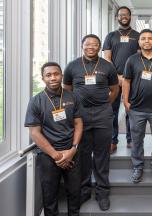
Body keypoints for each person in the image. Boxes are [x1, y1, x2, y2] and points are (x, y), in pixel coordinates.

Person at [63, 34, 119, 211]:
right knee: (84, 155)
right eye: (88, 44)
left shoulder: (107, 66)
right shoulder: (72, 66)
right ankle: (85, 190)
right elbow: (67, 90)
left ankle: (102, 192)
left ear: (99, 47)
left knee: (102, 155)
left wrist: (105, 104)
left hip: (103, 115)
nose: (91, 47)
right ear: (82, 46)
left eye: (95, 45)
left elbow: (114, 89)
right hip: (81, 117)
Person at [24, 62, 83, 216]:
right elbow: (35, 133)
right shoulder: (36, 101)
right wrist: (56, 155)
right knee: (49, 199)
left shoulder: (73, 96)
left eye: (56, 74)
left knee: (75, 194)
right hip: (48, 157)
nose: (53, 78)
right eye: (48, 75)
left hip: (72, 153)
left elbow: (78, 123)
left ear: (61, 75)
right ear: (43, 78)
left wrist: (73, 149)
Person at [122, 29, 152, 184]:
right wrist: (125, 101)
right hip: (136, 108)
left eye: (150, 38)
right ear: (139, 42)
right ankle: (138, 167)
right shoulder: (132, 60)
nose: (147, 41)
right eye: (143, 38)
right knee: (137, 139)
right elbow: (126, 81)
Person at [103, 6, 139, 154]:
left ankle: (131, 139)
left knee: (132, 109)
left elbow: (139, 59)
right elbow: (107, 58)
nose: (123, 16)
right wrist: (117, 77)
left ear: (130, 16)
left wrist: (127, 78)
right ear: (117, 17)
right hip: (114, 80)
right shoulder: (110, 36)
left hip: (133, 79)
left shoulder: (137, 35)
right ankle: (113, 140)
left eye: (126, 14)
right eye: (121, 14)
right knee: (112, 111)